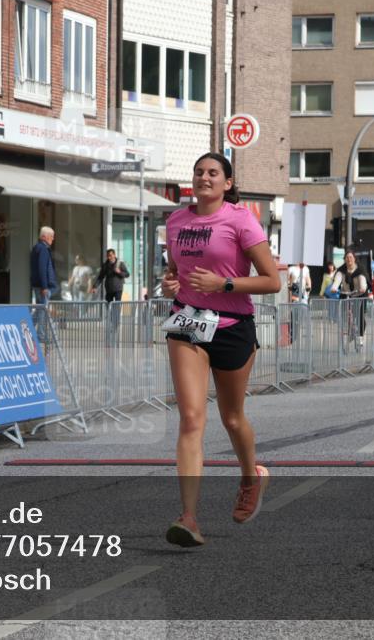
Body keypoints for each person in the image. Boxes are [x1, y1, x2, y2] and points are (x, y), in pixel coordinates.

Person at [160, 152, 280, 547]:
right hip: (188, 323)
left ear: (227, 183)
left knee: (232, 417)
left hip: (232, 326)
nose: (204, 178)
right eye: (198, 172)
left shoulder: (241, 220)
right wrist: (170, 285)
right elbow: (175, 272)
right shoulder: (176, 221)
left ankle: (250, 477)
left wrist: (224, 284)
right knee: (191, 419)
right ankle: (189, 517)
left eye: (213, 173)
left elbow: (271, 281)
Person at [335, 251, 369, 345]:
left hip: (360, 295)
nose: (349, 259)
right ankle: (349, 330)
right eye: (347, 257)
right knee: (346, 313)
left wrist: (362, 288)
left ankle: (360, 336)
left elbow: (363, 280)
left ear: (354, 258)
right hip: (347, 294)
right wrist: (334, 288)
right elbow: (337, 280)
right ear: (344, 259)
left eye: (350, 257)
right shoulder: (341, 270)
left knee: (360, 316)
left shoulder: (360, 269)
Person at [30, 226, 58, 305]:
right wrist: (44, 287)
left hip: (39, 285)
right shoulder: (43, 249)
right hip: (42, 287)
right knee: (42, 309)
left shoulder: (38, 247)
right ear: (44, 237)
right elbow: (42, 268)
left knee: (41, 308)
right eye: (51, 236)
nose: (53, 239)